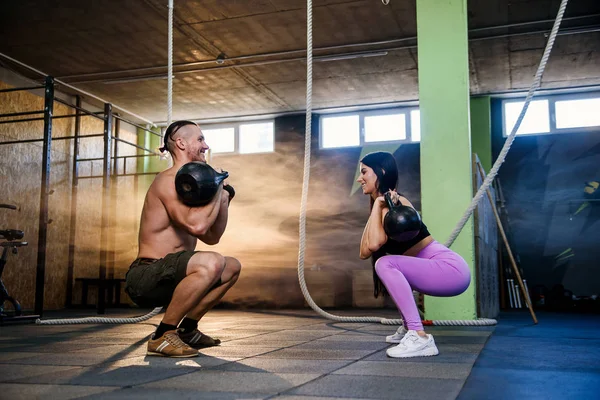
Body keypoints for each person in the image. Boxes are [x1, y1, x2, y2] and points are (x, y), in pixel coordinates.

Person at [125, 120, 241, 358]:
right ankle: (162, 335)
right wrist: (218, 187)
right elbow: (197, 225)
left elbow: (212, 237)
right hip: (147, 275)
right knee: (212, 262)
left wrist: (223, 198)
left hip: (174, 276)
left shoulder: (191, 185)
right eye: (200, 139)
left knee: (231, 266)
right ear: (181, 143)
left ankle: (187, 329)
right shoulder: (168, 180)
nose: (205, 145)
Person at [357, 151, 470, 358]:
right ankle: (408, 326)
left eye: (364, 172)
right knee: (390, 266)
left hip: (451, 269)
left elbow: (374, 244)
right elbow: (363, 252)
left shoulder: (398, 204)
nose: (359, 178)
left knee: (385, 263)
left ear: (381, 172)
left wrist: (380, 205)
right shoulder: (381, 207)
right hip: (441, 269)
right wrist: (377, 206)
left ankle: (419, 336)